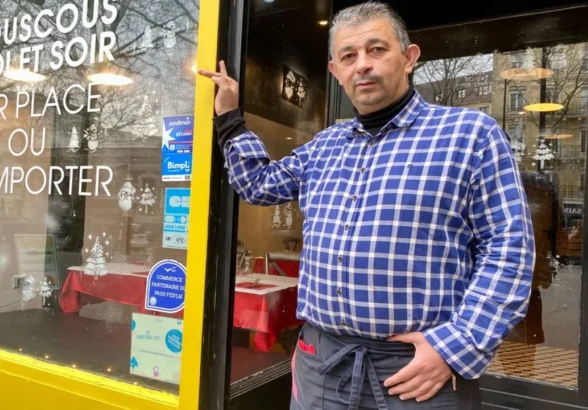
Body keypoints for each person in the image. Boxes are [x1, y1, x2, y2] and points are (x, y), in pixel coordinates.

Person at [198, 1, 535, 409]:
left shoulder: (470, 135)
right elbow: (257, 185)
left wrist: (457, 345)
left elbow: (509, 249)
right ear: (335, 71)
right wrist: (230, 116)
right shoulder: (323, 146)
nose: (363, 65)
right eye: (348, 56)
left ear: (409, 58)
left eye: (377, 50)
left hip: (417, 372)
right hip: (321, 364)